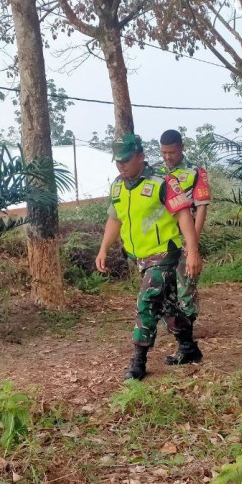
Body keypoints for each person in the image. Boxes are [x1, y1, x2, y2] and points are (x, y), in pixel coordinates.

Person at [95, 134, 203, 381]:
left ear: (141, 157)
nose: (120, 165)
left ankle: (138, 362)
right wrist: (103, 249)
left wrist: (192, 250)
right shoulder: (118, 185)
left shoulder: (163, 182)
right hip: (141, 256)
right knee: (168, 307)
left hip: (165, 252)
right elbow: (115, 218)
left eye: (126, 159)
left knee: (147, 301)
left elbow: (184, 215)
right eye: (117, 161)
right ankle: (189, 348)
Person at [155, 130, 212, 364]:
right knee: (165, 290)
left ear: (182, 147)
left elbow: (200, 209)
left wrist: (192, 245)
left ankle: (187, 341)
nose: (167, 157)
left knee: (185, 288)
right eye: (163, 152)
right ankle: (179, 330)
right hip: (162, 244)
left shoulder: (195, 173)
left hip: (184, 241)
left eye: (172, 152)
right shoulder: (156, 174)